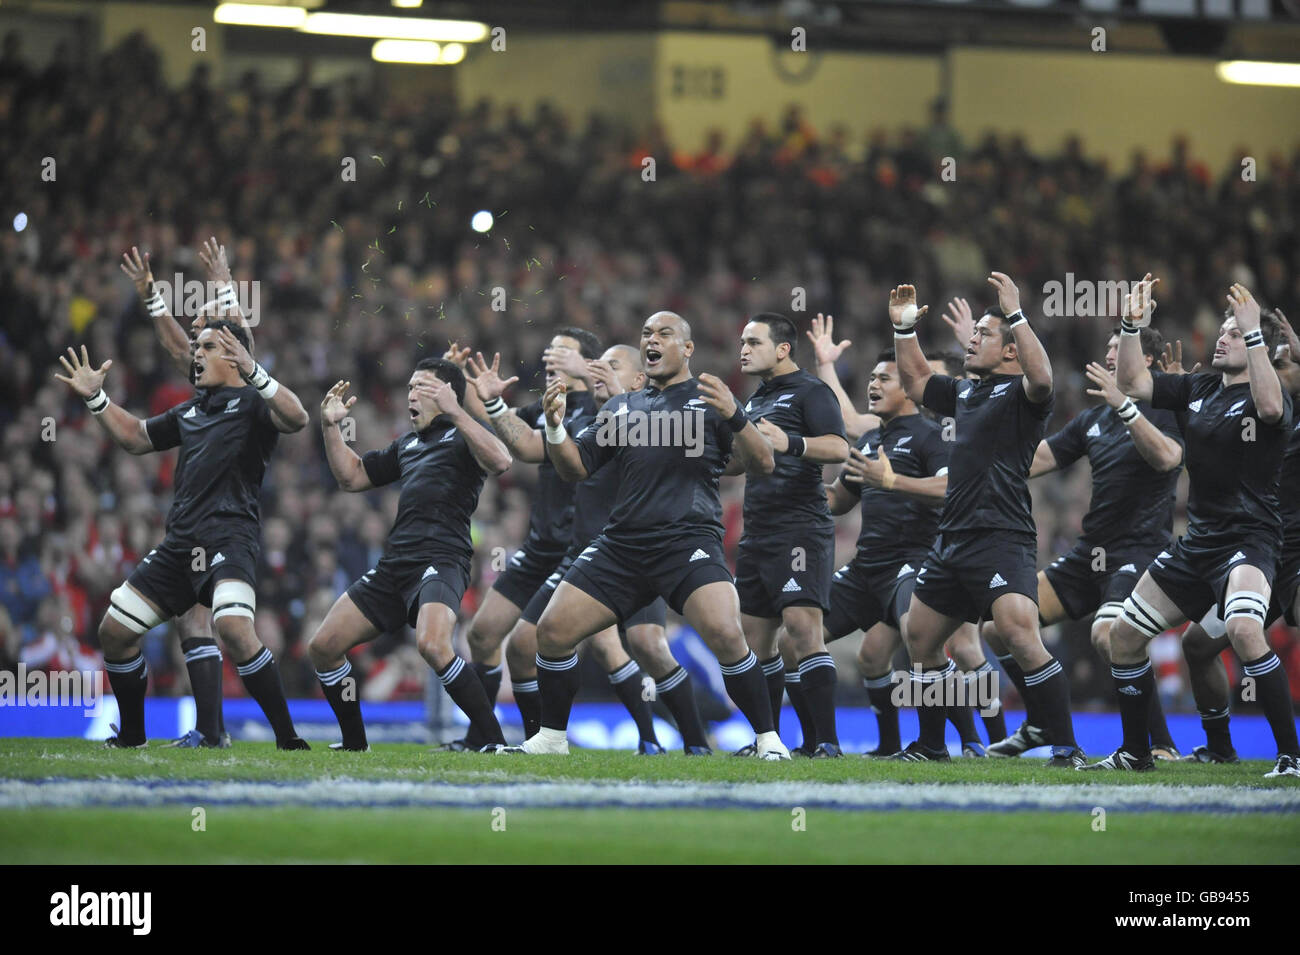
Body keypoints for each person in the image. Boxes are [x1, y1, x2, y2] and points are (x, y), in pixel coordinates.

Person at [509, 311, 789, 758]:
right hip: (622, 544)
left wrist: (737, 416)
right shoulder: (622, 406)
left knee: (726, 634)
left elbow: (763, 463)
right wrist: (557, 427)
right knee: (552, 631)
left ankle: (769, 741)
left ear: (688, 348)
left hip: (688, 540)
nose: (651, 340)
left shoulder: (710, 399)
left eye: (664, 333)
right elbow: (575, 468)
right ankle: (552, 739)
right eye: (646, 334)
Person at [53, 323, 311, 749]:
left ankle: (288, 738)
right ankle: (134, 735)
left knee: (231, 625)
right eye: (195, 347)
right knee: (113, 632)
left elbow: (298, 417)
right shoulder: (192, 410)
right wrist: (97, 399)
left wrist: (255, 370)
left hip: (230, 537)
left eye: (207, 347)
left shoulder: (252, 403)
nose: (196, 354)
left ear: (233, 356)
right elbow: (136, 438)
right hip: (180, 544)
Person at [1094, 278, 1299, 777]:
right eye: (1225, 331)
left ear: (1261, 348)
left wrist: (1254, 335)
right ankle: (1136, 752)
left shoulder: (1268, 398)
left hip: (1249, 539)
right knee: (1123, 636)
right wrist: (1130, 326)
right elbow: (1134, 383)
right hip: (1199, 542)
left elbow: (1271, 409)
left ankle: (1292, 757)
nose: (1222, 337)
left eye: (1234, 332)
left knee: (1245, 630)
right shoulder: (1199, 387)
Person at [890, 278, 1084, 765]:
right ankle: (932, 746)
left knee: (1019, 632)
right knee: (921, 637)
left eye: (983, 333)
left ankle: (1066, 747)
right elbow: (915, 382)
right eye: (973, 331)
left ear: (1012, 352)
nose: (971, 338)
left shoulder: (1023, 395)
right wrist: (903, 328)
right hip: (952, 538)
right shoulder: (965, 393)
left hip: (1002, 534)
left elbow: (1044, 380)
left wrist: (1017, 314)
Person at [985, 322, 1185, 760]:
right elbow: (1037, 460)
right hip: (1089, 553)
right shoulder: (1093, 419)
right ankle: (1042, 723)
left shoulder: (1166, 410)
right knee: (999, 627)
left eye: (1121, 348)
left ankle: (1161, 744)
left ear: (1146, 361)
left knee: (1108, 635)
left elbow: (1168, 458)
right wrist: (986, 448)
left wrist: (1129, 407)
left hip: (1138, 552)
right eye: (1109, 347)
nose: (1111, 354)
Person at [508, 342, 714, 754]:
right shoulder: (599, 420)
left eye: (611, 365)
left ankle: (692, 741)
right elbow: (547, 454)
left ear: (640, 381)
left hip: (642, 553)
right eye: (597, 364)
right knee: (528, 643)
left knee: (648, 645)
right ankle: (549, 737)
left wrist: (590, 377)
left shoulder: (649, 421)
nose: (600, 370)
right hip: (593, 556)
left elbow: (647, 437)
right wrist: (497, 409)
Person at [308, 359, 512, 752]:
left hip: (443, 559)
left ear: (448, 395)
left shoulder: (464, 434)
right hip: (394, 566)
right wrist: (330, 427)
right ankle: (354, 743)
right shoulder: (408, 444)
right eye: (409, 387)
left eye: (422, 387)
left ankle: (495, 742)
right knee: (324, 646)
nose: (411, 394)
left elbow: (501, 460)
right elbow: (351, 477)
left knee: (434, 646)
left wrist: (458, 411)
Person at [121, 238, 240, 748]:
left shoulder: (237, 369)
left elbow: (233, 337)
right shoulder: (205, 379)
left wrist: (223, 286)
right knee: (195, 613)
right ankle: (212, 732)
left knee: (224, 619)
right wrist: (152, 296)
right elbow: (178, 348)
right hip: (203, 510)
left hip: (229, 507)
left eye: (205, 335)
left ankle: (249, 732)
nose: (195, 342)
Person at [458, 330, 603, 742]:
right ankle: (483, 738)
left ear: (589, 363)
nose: (549, 351)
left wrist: (492, 404)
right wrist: (470, 392)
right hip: (541, 544)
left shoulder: (603, 409)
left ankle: (545, 738)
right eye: (549, 345)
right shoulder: (545, 406)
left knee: (532, 645)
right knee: (482, 634)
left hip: (579, 546)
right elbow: (492, 428)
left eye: (563, 348)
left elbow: (527, 447)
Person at [732, 313, 848, 757]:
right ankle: (772, 740)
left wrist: (792, 444)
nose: (743, 349)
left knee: (802, 628)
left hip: (800, 528)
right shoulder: (757, 399)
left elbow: (839, 447)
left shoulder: (812, 392)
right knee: (756, 640)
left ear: (782, 349)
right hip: (757, 531)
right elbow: (743, 462)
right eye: (742, 341)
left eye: (753, 341)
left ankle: (829, 743)